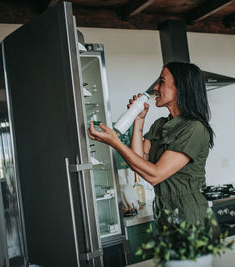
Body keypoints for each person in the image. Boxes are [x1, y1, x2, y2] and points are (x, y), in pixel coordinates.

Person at [88, 62, 217, 233]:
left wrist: (116, 143)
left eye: (161, 81)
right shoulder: (160, 125)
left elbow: (155, 175)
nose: (155, 87)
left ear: (181, 87)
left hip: (191, 218)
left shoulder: (194, 129)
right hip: (165, 216)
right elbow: (140, 162)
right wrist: (138, 119)